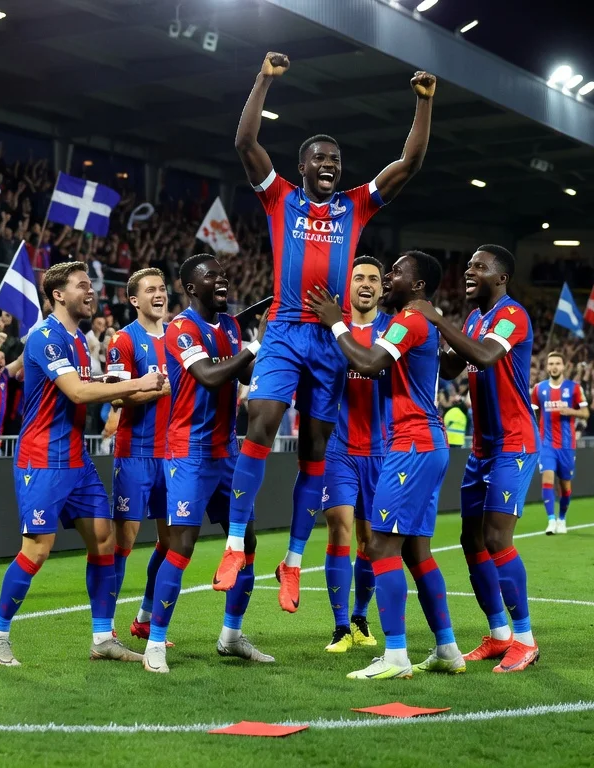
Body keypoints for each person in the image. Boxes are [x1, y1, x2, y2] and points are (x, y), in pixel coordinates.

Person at [219, 52, 436, 602]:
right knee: (261, 421)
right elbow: (246, 142)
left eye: (336, 159)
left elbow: (408, 164)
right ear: (303, 165)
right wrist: (263, 78)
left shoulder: (355, 206)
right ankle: (235, 543)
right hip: (288, 331)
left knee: (315, 448)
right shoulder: (280, 197)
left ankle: (292, 562)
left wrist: (423, 103)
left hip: (329, 340)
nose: (329, 165)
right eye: (319, 158)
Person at [0, 262, 165, 667]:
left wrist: (136, 388)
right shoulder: (45, 337)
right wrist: (139, 382)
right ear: (59, 294)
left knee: (105, 540)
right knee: (37, 550)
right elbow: (79, 393)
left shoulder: (79, 339)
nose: (91, 291)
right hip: (42, 459)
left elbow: (100, 388)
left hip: (77, 460)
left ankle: (102, 637)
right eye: (83, 285)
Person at [307, 250, 463, 680]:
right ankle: (447, 648)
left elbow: (371, 364)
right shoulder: (419, 321)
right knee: (417, 552)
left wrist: (335, 321)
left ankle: (395, 654)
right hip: (427, 445)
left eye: (395, 272)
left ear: (416, 286)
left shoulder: (408, 320)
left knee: (380, 547)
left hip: (410, 445)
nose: (388, 278)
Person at [415, 245, 541, 672]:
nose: (469, 271)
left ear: (501, 277)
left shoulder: (512, 315)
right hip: (483, 447)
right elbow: (452, 367)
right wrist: (415, 336)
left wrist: (437, 320)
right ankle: (499, 634)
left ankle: (525, 638)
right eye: (468, 265)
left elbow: (486, 355)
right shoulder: (474, 319)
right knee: (471, 541)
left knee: (496, 538)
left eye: (479, 267)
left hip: (515, 442)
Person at [142, 255, 264, 674]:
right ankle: (155, 641)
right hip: (189, 453)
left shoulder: (229, 325)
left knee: (246, 543)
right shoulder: (181, 328)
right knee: (182, 547)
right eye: (212, 276)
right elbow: (210, 376)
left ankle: (231, 636)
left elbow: (242, 378)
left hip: (227, 452)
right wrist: (256, 345)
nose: (222, 280)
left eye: (223, 274)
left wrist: (265, 348)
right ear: (191, 287)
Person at [311, 256, 387, 652]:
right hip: (339, 449)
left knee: (370, 540)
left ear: (381, 288)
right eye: (359, 277)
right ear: (349, 284)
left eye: (374, 278)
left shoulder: (393, 328)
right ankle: (340, 626)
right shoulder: (328, 328)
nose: (366, 283)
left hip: (381, 450)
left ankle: (360, 616)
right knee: (339, 527)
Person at [102, 268, 174, 642]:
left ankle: (145, 617)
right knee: (123, 544)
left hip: (174, 456)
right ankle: (105, 626)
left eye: (162, 288)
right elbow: (115, 394)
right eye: (150, 290)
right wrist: (159, 391)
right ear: (134, 300)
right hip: (135, 455)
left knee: (171, 543)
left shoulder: (179, 339)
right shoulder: (124, 340)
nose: (159, 294)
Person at [533, 351, 588, 535]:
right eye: (551, 364)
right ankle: (551, 521)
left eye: (557, 363)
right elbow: (536, 414)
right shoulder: (538, 389)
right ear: (547, 367)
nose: (554, 366)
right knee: (547, 478)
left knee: (565, 487)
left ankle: (562, 518)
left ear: (563, 366)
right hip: (546, 444)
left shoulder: (574, 388)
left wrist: (571, 411)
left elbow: (586, 413)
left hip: (566, 445)